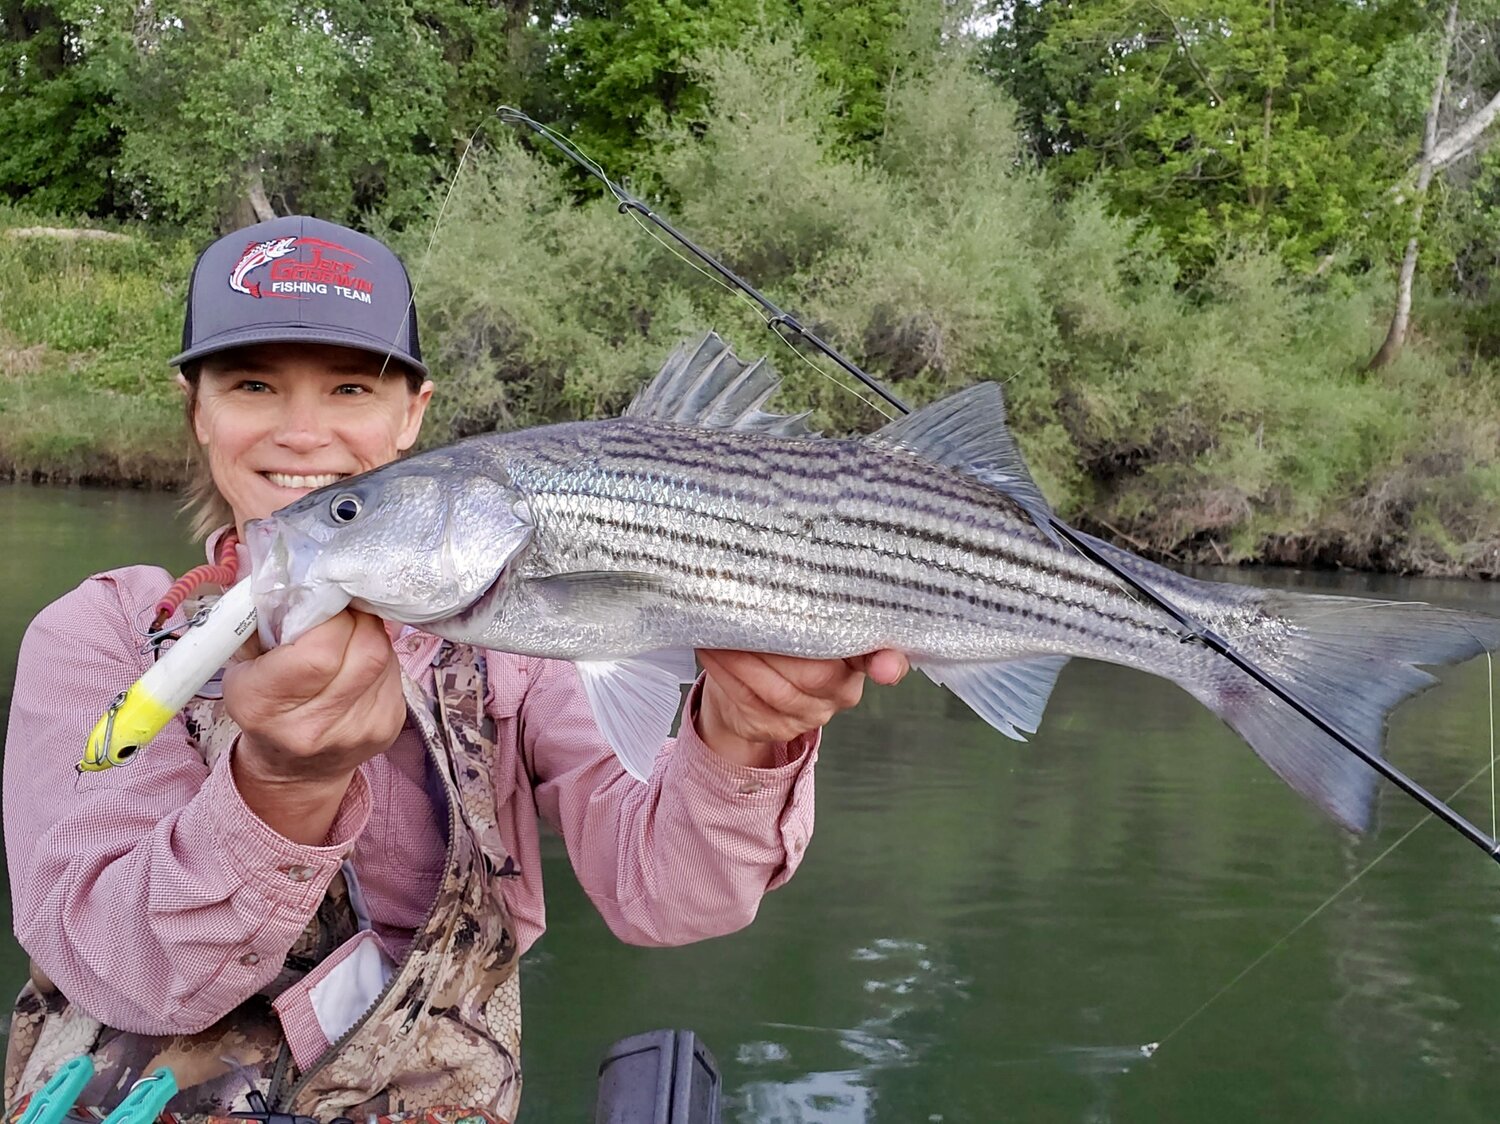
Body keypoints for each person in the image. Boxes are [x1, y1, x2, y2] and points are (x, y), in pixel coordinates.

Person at [3, 216, 908, 1124]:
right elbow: (114, 970)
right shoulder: (104, 635)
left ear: (413, 416)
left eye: (352, 387)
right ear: (198, 408)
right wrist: (277, 789)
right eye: (251, 384)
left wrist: (745, 737)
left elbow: (669, 896)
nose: (305, 432)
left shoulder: (520, 649)